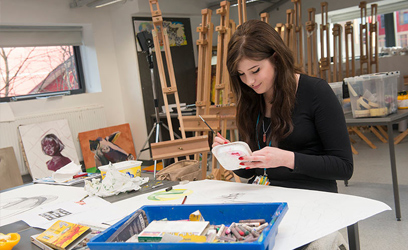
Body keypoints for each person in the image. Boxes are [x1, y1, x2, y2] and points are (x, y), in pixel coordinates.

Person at [212, 20, 353, 193]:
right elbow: (247, 173)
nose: (249, 81)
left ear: (276, 58)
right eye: (241, 74)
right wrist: (229, 154)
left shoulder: (315, 91)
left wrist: (288, 159)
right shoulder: (250, 99)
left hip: (310, 196)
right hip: (263, 195)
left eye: (255, 70)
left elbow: (344, 167)